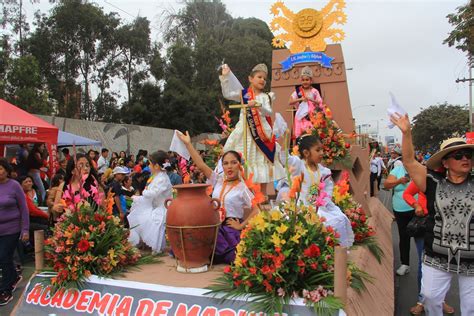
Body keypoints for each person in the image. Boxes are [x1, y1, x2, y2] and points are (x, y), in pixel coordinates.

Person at [391, 113, 474, 315]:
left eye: (468, 155)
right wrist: (406, 133)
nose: (465, 158)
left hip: (472, 258)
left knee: (471, 306)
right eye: (458, 155)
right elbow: (409, 161)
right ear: (445, 163)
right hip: (436, 255)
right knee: (429, 297)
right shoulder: (433, 182)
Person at [178, 131, 258, 263]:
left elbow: (256, 210)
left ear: (239, 165)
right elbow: (201, 166)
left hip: (229, 229)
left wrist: (241, 226)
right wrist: (188, 144)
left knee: (231, 257)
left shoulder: (243, 188)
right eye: (226, 163)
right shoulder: (218, 180)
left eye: (233, 162)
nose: (229, 166)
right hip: (213, 225)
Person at [219, 63, 285, 184]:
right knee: (243, 158)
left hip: (261, 133)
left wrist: (257, 106)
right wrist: (225, 77)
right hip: (243, 130)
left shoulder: (266, 96)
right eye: (259, 77)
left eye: (264, 79)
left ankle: (262, 196)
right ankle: (245, 192)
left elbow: (268, 112)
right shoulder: (244, 94)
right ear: (250, 78)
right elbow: (227, 94)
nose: (262, 80)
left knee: (261, 161)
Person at [286, 134, 354, 247]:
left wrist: (323, 200)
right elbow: (285, 159)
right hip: (300, 206)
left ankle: (336, 251)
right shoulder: (299, 166)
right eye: (318, 150)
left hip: (320, 206)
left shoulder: (324, 171)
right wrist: (283, 138)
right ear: (306, 153)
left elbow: (328, 188)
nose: (322, 153)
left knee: (339, 219)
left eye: (322, 149)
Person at [403, 180, 455, 315]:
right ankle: (421, 301)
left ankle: (440, 300)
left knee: (444, 264)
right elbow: (407, 194)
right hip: (424, 225)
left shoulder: (453, 179)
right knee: (423, 263)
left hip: (447, 228)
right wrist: (416, 205)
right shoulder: (423, 177)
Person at [128, 151, 172, 254]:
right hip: (155, 205)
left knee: (153, 219)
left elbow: (153, 193)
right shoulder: (156, 176)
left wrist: (144, 192)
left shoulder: (162, 178)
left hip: (163, 207)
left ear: (156, 166)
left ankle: (155, 246)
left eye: (150, 164)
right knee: (137, 214)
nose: (149, 166)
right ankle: (142, 241)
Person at [0, 159, 29, 306]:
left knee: (4, 256)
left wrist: (25, 229)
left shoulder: (14, 186)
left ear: (6, 170)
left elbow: (24, 208)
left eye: (0, 169)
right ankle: (13, 277)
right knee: (4, 259)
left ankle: (5, 290)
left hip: (11, 229)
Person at [383, 151, 414, 276]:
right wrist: (399, 181)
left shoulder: (420, 170)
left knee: (421, 238)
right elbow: (386, 184)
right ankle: (405, 263)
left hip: (418, 210)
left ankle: (426, 265)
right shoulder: (397, 170)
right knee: (404, 237)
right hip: (401, 209)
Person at [289, 66, 323, 138]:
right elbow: (290, 101)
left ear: (311, 81)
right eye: (303, 80)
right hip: (301, 120)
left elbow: (320, 102)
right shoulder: (298, 92)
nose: (305, 82)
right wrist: (300, 99)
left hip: (312, 119)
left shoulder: (314, 91)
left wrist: (311, 99)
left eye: (307, 80)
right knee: (302, 138)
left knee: (312, 138)